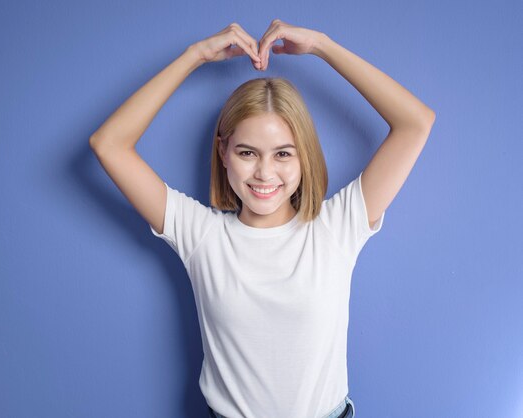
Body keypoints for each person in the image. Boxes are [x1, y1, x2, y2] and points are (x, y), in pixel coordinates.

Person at [90, 19, 435, 418]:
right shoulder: (201, 235)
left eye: (283, 154)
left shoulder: (338, 227)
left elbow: (415, 122)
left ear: (304, 156)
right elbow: (109, 144)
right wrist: (194, 56)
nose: (264, 174)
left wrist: (323, 45)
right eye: (247, 152)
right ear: (223, 153)